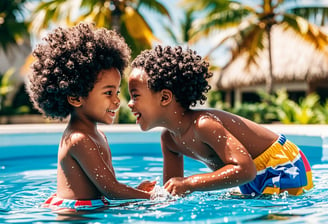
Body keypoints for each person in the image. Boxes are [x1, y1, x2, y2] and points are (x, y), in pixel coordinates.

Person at [127, 45, 313, 197]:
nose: (129, 104)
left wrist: (191, 182)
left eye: (135, 96)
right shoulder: (169, 140)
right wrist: (151, 194)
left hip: (280, 164)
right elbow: (175, 191)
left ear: (165, 97)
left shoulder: (204, 125)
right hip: (250, 176)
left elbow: (245, 169)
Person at [26, 23, 155, 212]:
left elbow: (106, 187)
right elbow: (111, 190)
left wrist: (135, 192)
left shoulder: (98, 134)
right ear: (76, 98)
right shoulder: (79, 139)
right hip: (75, 215)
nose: (117, 101)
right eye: (108, 93)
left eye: (117, 91)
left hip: (93, 208)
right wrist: (155, 198)